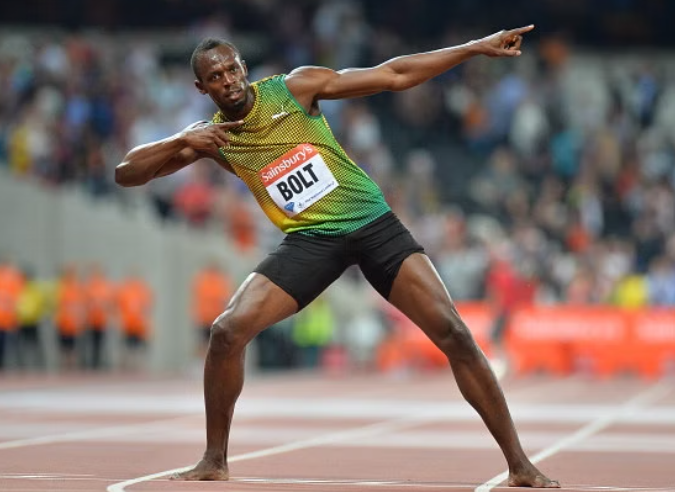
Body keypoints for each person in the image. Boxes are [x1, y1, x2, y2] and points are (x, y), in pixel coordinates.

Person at [115, 25, 559, 488]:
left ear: (244, 67)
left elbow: (394, 75)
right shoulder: (213, 137)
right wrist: (182, 139)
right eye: (215, 77)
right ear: (201, 88)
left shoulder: (295, 88)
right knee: (227, 331)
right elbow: (126, 174)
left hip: (371, 223)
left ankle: (519, 465)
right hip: (311, 240)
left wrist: (473, 48)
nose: (228, 80)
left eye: (232, 69)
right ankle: (214, 459)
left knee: (455, 333)